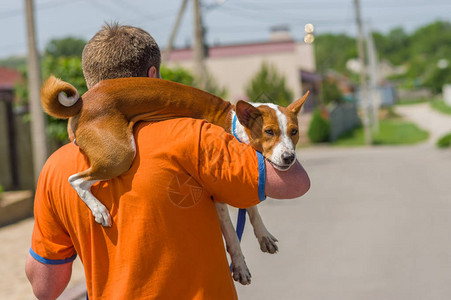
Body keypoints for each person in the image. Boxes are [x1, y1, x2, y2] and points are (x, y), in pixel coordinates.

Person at [25, 23, 310, 299]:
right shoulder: (195, 135)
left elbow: (44, 287)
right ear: (153, 78)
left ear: (90, 84)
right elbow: (294, 184)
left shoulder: (55, 168)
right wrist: (277, 124)